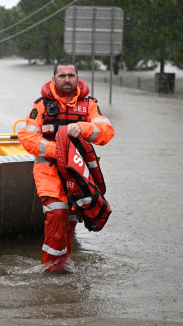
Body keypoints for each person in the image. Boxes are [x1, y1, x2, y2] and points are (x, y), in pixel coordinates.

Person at [18, 60, 114, 273]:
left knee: (71, 218)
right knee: (57, 213)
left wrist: (83, 127)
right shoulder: (41, 105)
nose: (67, 79)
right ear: (54, 79)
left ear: (78, 77)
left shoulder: (89, 105)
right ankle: (50, 268)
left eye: (71, 75)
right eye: (62, 76)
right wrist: (58, 150)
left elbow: (106, 131)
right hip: (48, 170)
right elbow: (26, 137)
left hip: (76, 170)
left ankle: (63, 265)